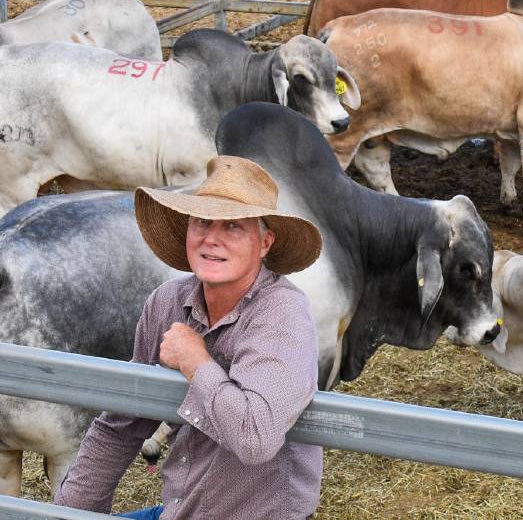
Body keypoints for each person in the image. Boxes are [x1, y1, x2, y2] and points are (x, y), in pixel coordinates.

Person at [54, 155, 324, 519]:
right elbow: (123, 421)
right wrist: (72, 512)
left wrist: (195, 361)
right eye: (202, 222)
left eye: (233, 227)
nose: (212, 239)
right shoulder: (167, 302)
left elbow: (255, 438)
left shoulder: (281, 313)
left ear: (264, 243)